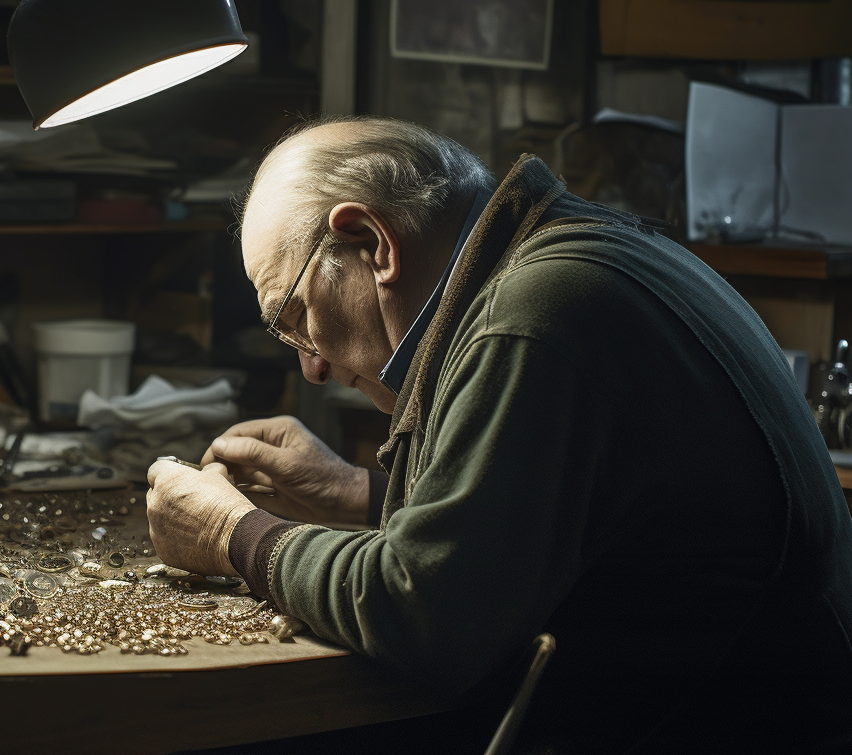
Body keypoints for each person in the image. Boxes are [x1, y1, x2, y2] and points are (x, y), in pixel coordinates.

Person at [146, 116, 852, 752]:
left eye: (295, 315)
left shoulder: (536, 315)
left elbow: (424, 617)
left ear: (370, 243)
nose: (313, 365)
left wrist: (232, 535)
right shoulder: (576, 250)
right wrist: (353, 491)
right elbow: (540, 524)